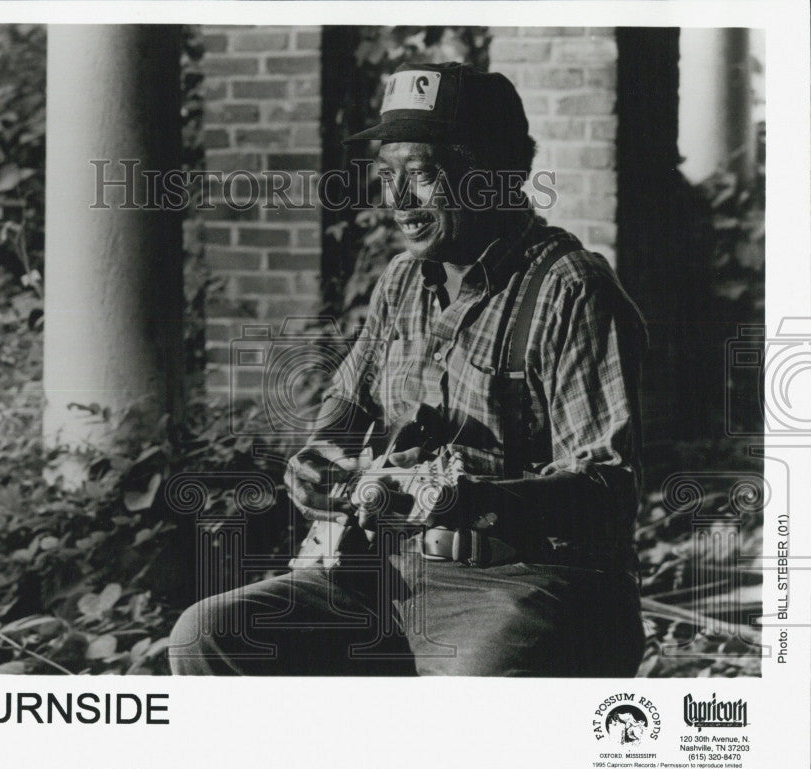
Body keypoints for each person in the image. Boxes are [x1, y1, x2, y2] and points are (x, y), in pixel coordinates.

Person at [170, 63, 647, 676]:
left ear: (501, 172)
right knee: (209, 635)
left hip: (517, 583)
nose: (398, 201)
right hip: (378, 573)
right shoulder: (402, 281)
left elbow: (609, 491)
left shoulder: (570, 290)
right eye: (387, 175)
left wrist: (459, 500)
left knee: (474, 688)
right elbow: (346, 409)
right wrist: (316, 461)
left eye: (422, 174)